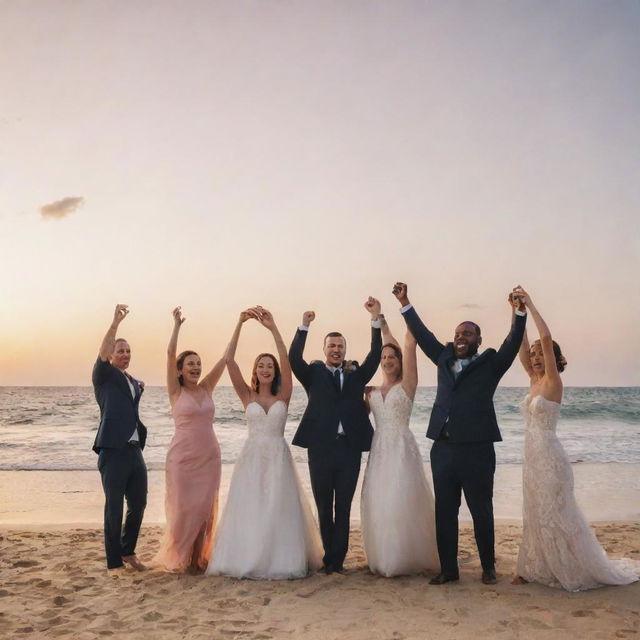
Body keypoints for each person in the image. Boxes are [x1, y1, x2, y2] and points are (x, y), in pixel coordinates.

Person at [394, 282, 526, 585]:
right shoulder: (442, 357)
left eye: (467, 333)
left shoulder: (492, 363)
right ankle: (449, 570)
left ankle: (488, 567)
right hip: (443, 448)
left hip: (477, 449)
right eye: (457, 334)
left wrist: (518, 313)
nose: (460, 337)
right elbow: (423, 333)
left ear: (478, 339)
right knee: (444, 512)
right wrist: (405, 302)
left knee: (482, 510)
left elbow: (512, 341)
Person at [511, 286, 639, 591]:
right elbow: (523, 345)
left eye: (541, 355)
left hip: (551, 458)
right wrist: (516, 313)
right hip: (531, 458)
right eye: (533, 356)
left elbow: (543, 338)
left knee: (556, 513)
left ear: (553, 358)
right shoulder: (533, 380)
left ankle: (566, 568)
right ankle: (533, 568)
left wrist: (531, 304)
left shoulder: (554, 381)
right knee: (534, 511)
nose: (536, 357)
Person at [207, 306, 322, 579]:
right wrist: (239, 323)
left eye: (269, 366)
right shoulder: (247, 396)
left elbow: (285, 358)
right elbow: (228, 359)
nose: (266, 369)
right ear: (255, 371)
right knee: (252, 506)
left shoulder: (284, 394)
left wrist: (273, 328)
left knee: (278, 508)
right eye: (261, 366)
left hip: (278, 457)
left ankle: (280, 559)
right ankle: (249, 556)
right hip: (252, 458)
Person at [289, 298, 383, 574]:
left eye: (341, 346)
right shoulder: (313, 373)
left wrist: (374, 321)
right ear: (324, 349)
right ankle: (328, 557)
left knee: (343, 506)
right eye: (332, 346)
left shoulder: (356, 374)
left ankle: (338, 561)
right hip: (319, 448)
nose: (336, 350)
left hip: (349, 448)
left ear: (345, 350)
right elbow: (294, 358)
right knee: (323, 505)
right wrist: (303, 327)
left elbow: (375, 356)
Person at [361, 305, 438, 576]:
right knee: (380, 501)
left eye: (392, 356)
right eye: (383, 356)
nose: (388, 359)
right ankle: (384, 556)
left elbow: (406, 344)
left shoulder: (407, 384)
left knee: (401, 499)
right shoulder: (370, 392)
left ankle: (402, 556)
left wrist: (399, 315)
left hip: (402, 449)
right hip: (379, 451)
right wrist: (379, 322)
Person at [155, 307, 225, 573]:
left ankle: (197, 559)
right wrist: (176, 326)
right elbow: (170, 354)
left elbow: (225, 358)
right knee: (184, 510)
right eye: (190, 364)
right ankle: (180, 558)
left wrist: (240, 325)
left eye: (198, 363)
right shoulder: (175, 391)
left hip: (209, 457)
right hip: (182, 460)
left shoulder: (207, 388)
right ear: (181, 371)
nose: (196, 367)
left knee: (204, 511)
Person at [92, 304, 148, 574]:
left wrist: (138, 388)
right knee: (113, 508)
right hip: (113, 450)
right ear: (111, 355)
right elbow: (103, 352)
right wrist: (115, 323)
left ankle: (128, 551)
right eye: (120, 350)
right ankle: (114, 562)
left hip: (135, 450)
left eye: (128, 351)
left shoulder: (132, 381)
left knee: (138, 504)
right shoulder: (103, 376)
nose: (125, 354)